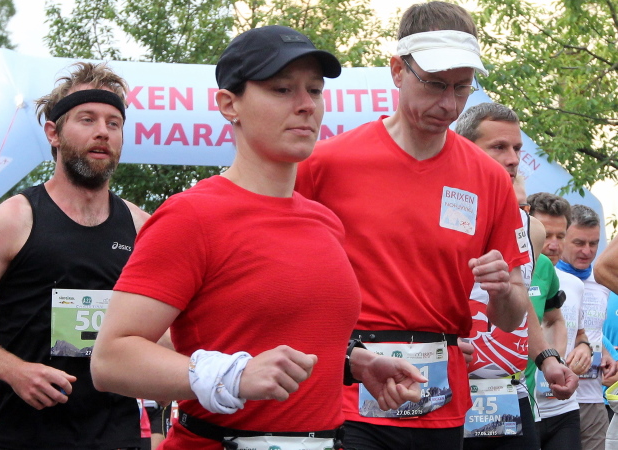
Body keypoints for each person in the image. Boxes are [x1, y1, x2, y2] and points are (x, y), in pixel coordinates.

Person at [91, 25, 426, 450]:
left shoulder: (325, 221)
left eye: (315, 90)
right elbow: (110, 359)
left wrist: (355, 363)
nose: (306, 105)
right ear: (229, 104)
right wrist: (232, 376)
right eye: (282, 89)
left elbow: (285, 333)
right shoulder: (191, 215)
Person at [295, 3, 531, 449]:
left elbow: (512, 314)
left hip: (441, 403)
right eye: (435, 84)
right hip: (348, 396)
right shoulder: (326, 163)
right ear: (398, 71)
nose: (449, 104)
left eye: (462, 88)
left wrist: (503, 290)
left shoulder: (488, 178)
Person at [0, 62, 149, 449]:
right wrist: (12, 369)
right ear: (53, 133)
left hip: (118, 437)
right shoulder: (14, 219)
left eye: (114, 123)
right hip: (25, 437)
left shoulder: (141, 226)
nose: (102, 131)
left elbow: (166, 331)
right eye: (87, 119)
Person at [454, 103, 577, 450]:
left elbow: (523, 307)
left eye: (517, 148)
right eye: (499, 147)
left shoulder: (530, 228)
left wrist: (547, 358)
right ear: (464, 149)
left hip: (508, 395)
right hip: (447, 389)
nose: (512, 159)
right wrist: (438, 344)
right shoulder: (437, 211)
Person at [527, 192, 591, 449]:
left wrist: (585, 347)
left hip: (562, 406)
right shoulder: (511, 272)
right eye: (546, 235)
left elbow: (575, 330)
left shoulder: (575, 284)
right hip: (522, 402)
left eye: (560, 236)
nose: (553, 245)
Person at [555, 204, 617, 450]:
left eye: (594, 243)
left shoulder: (602, 279)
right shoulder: (547, 278)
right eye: (579, 243)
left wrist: (607, 353)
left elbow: (593, 330)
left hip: (592, 398)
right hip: (552, 397)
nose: (587, 251)